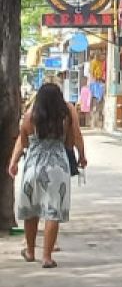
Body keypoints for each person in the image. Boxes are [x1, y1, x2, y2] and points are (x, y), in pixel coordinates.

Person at [8, 83, 86, 268]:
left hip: (33, 167)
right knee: (53, 211)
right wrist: (82, 157)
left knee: (31, 211)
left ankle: (30, 251)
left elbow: (24, 142)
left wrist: (14, 162)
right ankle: (47, 257)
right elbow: (72, 141)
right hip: (58, 168)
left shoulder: (29, 118)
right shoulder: (65, 119)